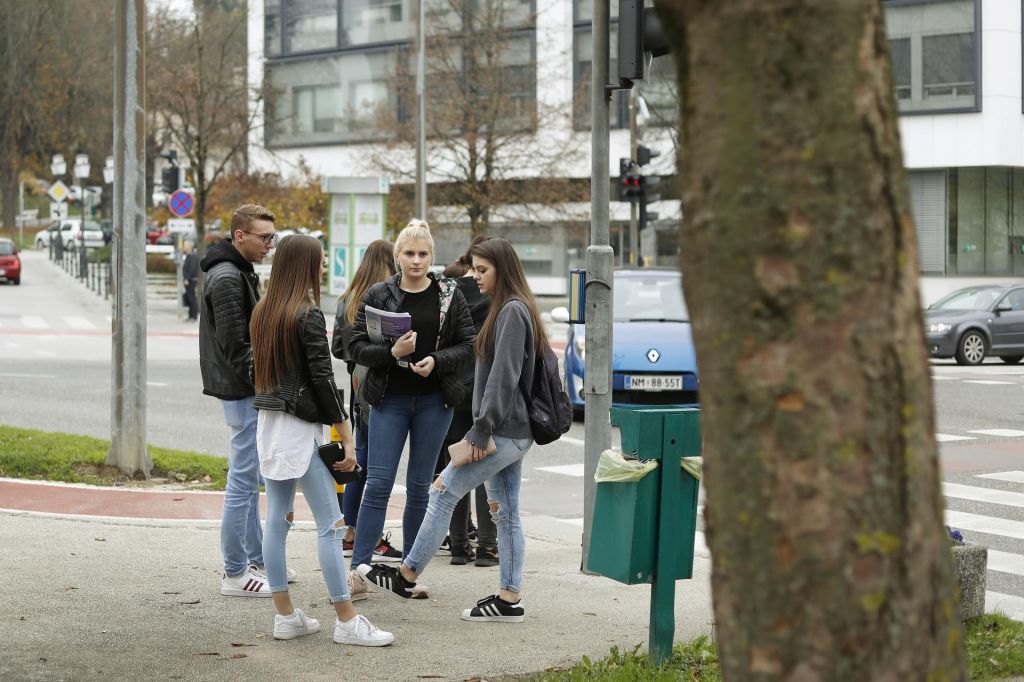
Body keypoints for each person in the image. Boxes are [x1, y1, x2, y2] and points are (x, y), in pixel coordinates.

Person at [358, 238, 545, 623]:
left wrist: (481, 429)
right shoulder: (514, 307)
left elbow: (503, 378)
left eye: (482, 270)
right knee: (506, 513)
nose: (474, 277)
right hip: (512, 429)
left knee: (442, 491)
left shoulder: (511, 311)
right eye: (474, 268)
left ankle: (406, 576)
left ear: (503, 270)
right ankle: (509, 599)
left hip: (502, 430)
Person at [250, 234, 393, 646]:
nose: (326, 263)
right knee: (331, 525)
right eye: (321, 258)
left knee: (276, 523)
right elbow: (322, 378)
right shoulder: (306, 313)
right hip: (302, 432)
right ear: (306, 265)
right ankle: (347, 620)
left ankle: (285, 616)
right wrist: (345, 432)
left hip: (272, 426)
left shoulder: (264, 311)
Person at [347, 219, 476, 580]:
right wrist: (392, 352)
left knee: (421, 487)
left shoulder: (449, 293)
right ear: (397, 256)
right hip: (390, 400)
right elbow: (356, 346)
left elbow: (468, 345)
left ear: (432, 256)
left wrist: (436, 361)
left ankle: (409, 573)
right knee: (378, 483)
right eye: (409, 253)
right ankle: (360, 568)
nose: (416, 260)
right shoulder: (378, 294)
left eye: (422, 254)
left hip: (435, 401)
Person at [199, 203, 287, 597]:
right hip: (242, 390)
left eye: (273, 236)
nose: (270, 244)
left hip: (241, 388)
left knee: (249, 477)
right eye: (264, 237)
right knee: (243, 479)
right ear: (240, 236)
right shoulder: (227, 278)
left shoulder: (236, 272)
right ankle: (235, 571)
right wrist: (268, 383)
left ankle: (258, 561)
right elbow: (237, 348)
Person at [330, 239, 402, 566]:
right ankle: (366, 534)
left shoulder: (348, 296)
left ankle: (350, 530)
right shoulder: (385, 296)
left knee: (361, 456)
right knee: (376, 462)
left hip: (356, 382)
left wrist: (354, 359)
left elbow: (335, 347)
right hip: (381, 381)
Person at [435, 241, 498, 567]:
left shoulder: (449, 292)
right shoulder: (493, 296)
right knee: (487, 468)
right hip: (484, 392)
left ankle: (459, 545)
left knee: (456, 464)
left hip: (453, 389)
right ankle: (488, 546)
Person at [182, 240, 199, 322]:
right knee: (189, 298)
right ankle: (190, 316)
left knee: (191, 298)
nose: (184, 247)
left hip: (190, 280)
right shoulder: (190, 255)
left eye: (185, 245)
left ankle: (193, 316)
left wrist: (186, 279)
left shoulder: (192, 256)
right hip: (190, 279)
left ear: (189, 246)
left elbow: (191, 269)